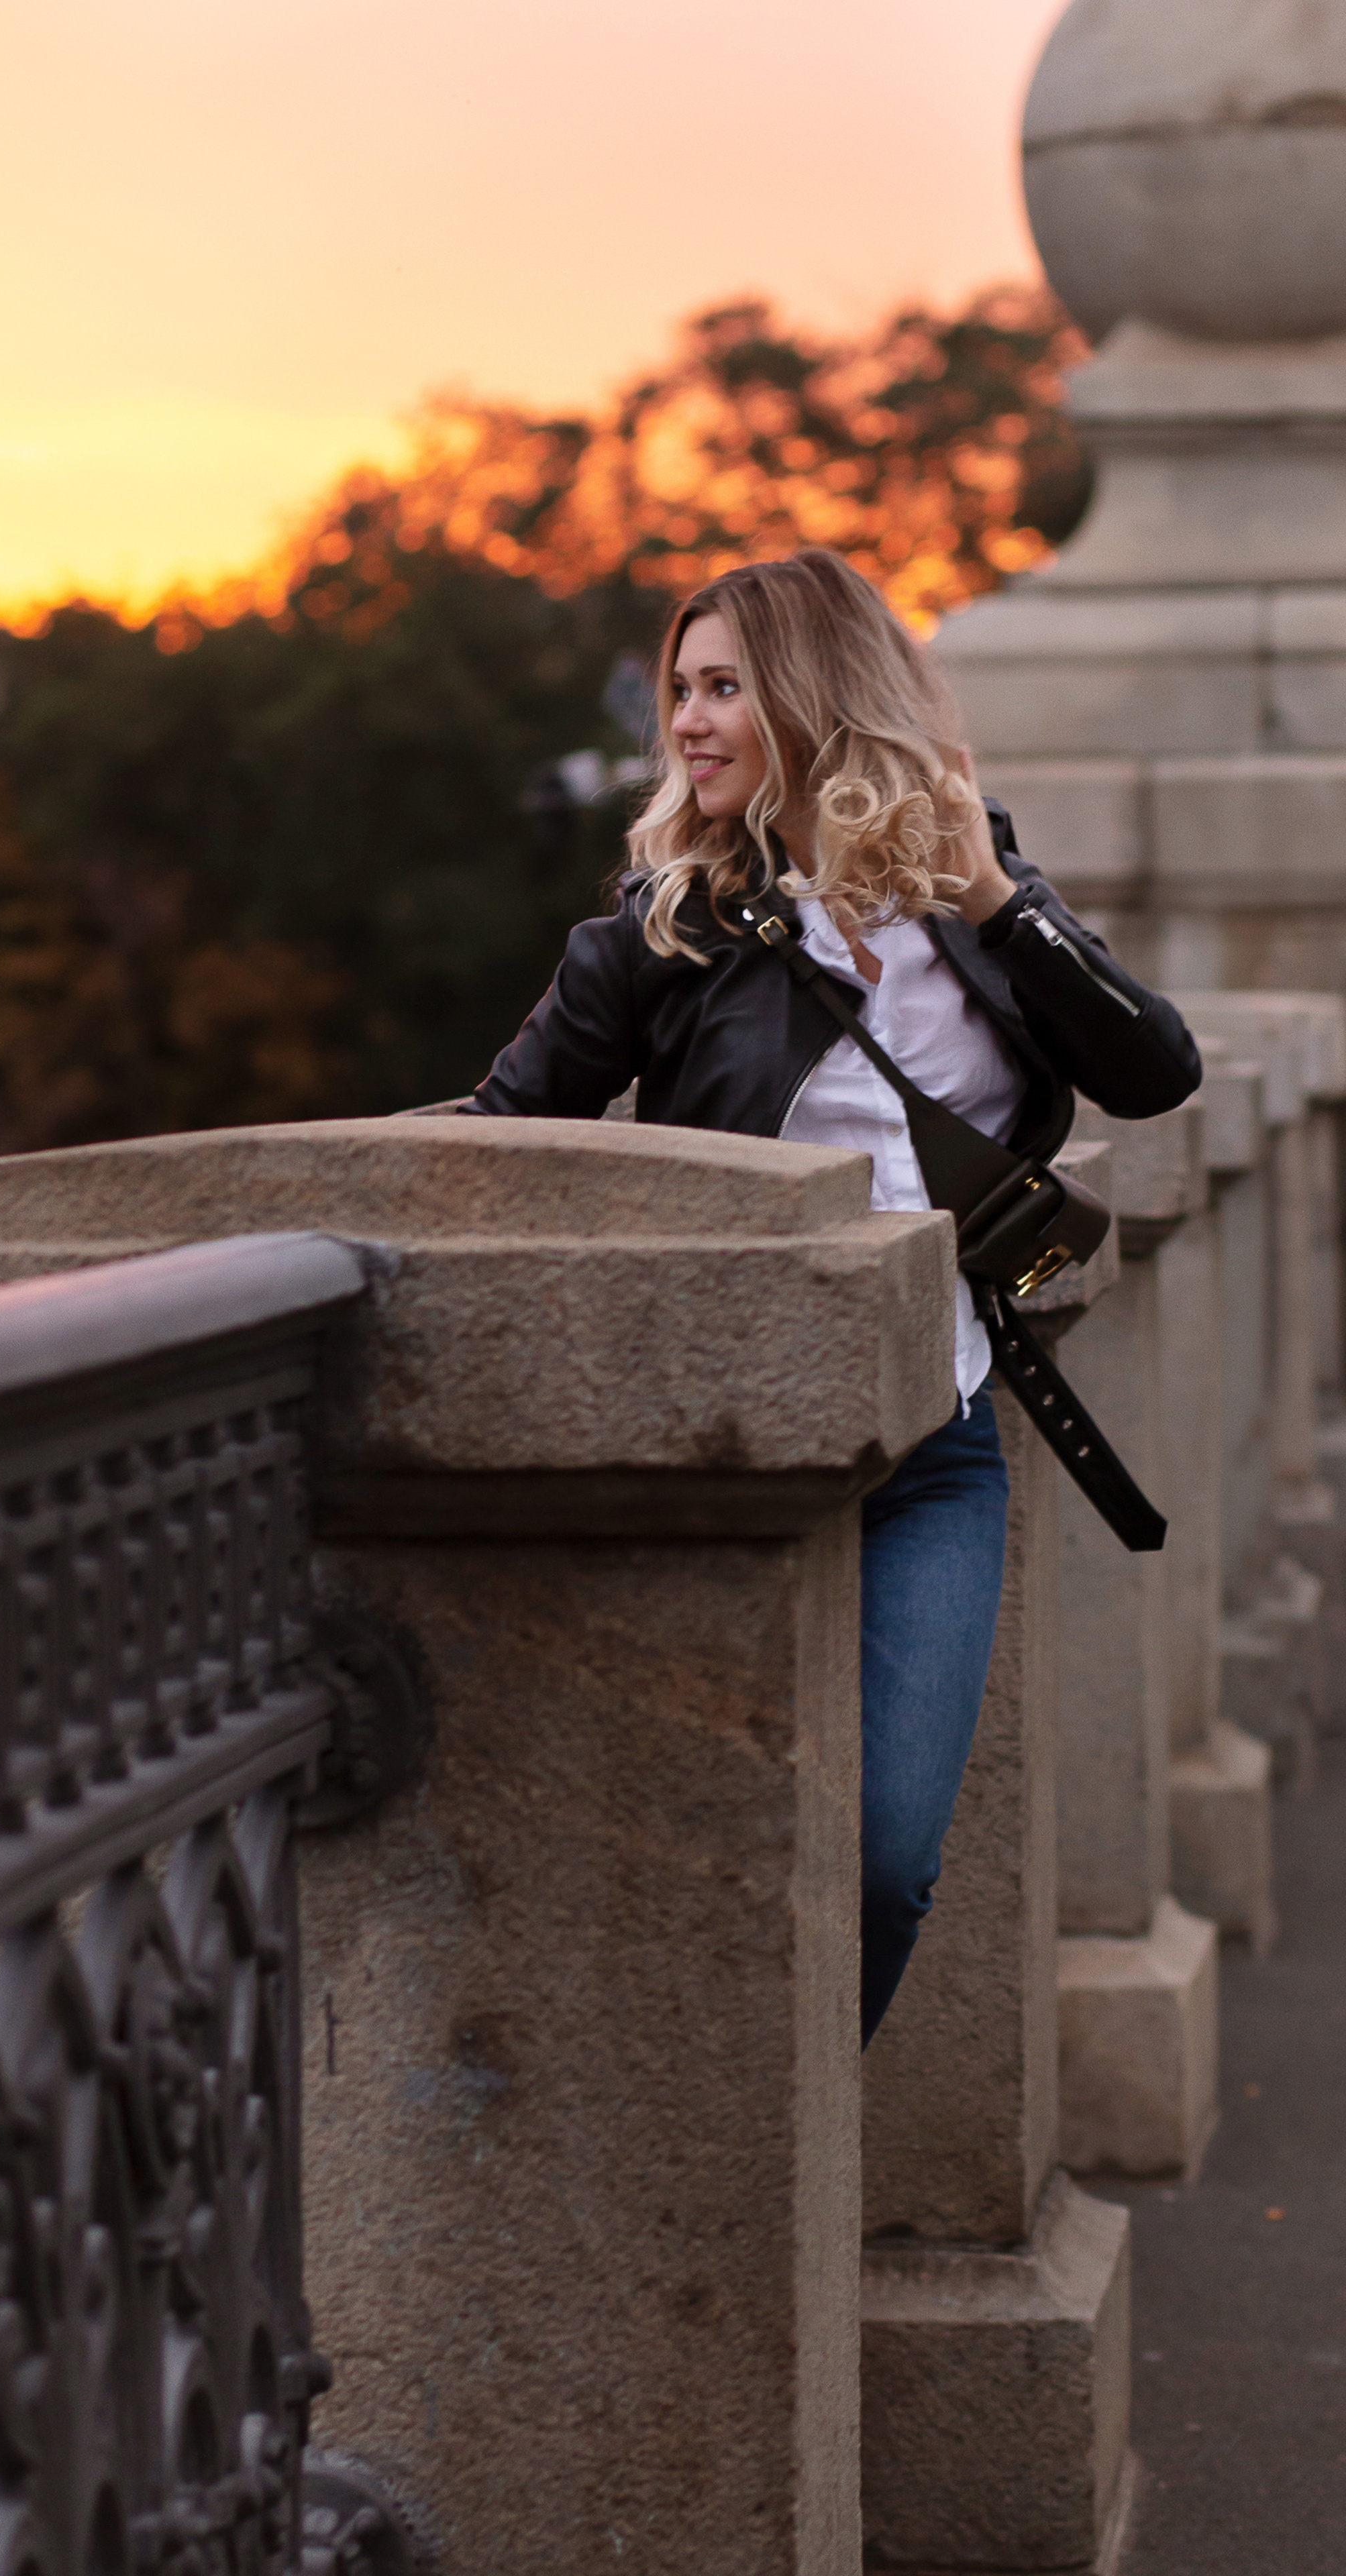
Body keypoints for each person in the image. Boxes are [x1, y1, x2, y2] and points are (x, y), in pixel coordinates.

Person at [464, 549, 1202, 2043]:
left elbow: (1153, 1070)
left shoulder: (971, 895)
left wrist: (999, 900)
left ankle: (777, 2169)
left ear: (816, 696)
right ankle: (700, 2170)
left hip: (933, 1447)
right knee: (681, 1856)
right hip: (721, 1444)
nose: (687, 720)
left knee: (880, 1860)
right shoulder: (657, 933)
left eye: (723, 686)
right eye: (680, 688)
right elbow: (496, 1143)